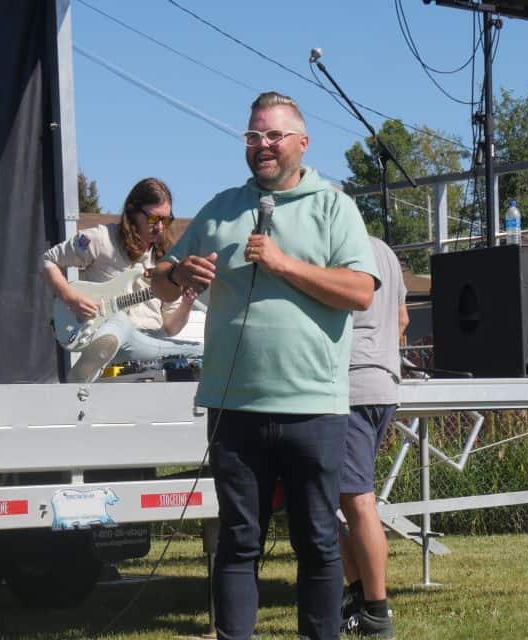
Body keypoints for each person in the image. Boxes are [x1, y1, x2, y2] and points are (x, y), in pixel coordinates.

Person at [152, 91, 379, 640]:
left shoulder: (332, 205)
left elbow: (360, 291)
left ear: (302, 142)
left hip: (313, 409)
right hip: (236, 407)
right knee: (237, 541)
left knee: (318, 541)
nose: (263, 147)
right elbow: (160, 272)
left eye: (274, 136)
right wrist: (179, 276)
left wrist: (282, 263)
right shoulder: (223, 206)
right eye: (253, 137)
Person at [42, 177, 202, 383]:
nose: (161, 227)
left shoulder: (169, 262)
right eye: (154, 219)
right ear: (132, 212)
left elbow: (171, 328)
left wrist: (187, 303)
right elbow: (47, 261)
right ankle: (85, 370)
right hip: (110, 344)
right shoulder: (101, 239)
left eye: (166, 220)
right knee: (120, 321)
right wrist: (71, 298)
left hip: (150, 346)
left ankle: (86, 369)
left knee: (200, 350)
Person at [339, 236, 409, 638]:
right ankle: (361, 597)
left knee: (356, 500)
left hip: (352, 387)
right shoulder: (385, 249)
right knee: (331, 501)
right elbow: (401, 320)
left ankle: (375, 613)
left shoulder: (337, 247)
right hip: (383, 385)